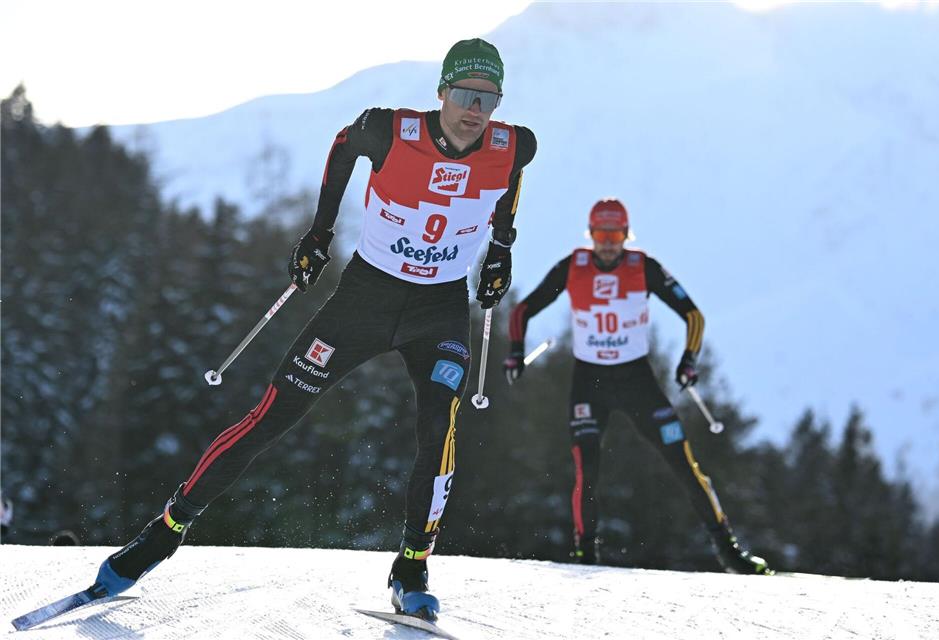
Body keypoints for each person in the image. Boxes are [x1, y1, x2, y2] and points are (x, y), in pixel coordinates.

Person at [94, 38, 536, 621]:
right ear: (442, 93)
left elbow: (510, 184)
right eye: (463, 94)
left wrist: (500, 249)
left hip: (439, 310)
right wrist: (319, 233)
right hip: (365, 298)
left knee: (440, 428)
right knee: (272, 415)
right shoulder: (389, 130)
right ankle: (165, 530)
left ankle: (412, 566)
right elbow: (341, 147)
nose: (473, 109)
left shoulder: (513, 146)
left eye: (486, 97)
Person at [503, 198, 770, 575]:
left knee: (684, 465)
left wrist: (689, 360)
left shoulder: (643, 267)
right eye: (601, 234)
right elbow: (521, 310)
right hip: (589, 383)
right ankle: (585, 556)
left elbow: (693, 316)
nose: (608, 243)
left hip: (636, 381)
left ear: (627, 236)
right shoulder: (573, 267)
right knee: (587, 469)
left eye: (615, 235)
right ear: (590, 235)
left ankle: (731, 553)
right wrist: (515, 351)